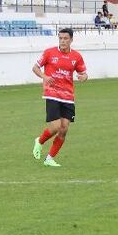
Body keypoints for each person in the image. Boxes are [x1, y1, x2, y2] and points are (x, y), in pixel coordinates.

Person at [31, 28, 88, 167]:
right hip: (52, 94)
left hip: (68, 96)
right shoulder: (49, 53)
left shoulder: (76, 56)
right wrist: (45, 76)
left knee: (64, 129)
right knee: (56, 126)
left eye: (65, 38)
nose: (62, 41)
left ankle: (49, 158)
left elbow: (84, 73)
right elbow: (35, 68)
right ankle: (39, 141)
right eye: (60, 38)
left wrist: (83, 77)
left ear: (71, 40)